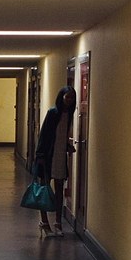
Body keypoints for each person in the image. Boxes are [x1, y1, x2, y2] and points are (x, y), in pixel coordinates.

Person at [34, 86, 76, 237]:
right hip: (47, 156)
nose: (69, 100)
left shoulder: (69, 114)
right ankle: (44, 222)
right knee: (44, 189)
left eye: (72, 97)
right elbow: (44, 134)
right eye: (67, 97)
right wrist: (40, 155)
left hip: (60, 156)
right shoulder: (53, 113)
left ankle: (58, 222)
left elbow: (62, 135)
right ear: (61, 97)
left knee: (59, 189)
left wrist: (67, 146)